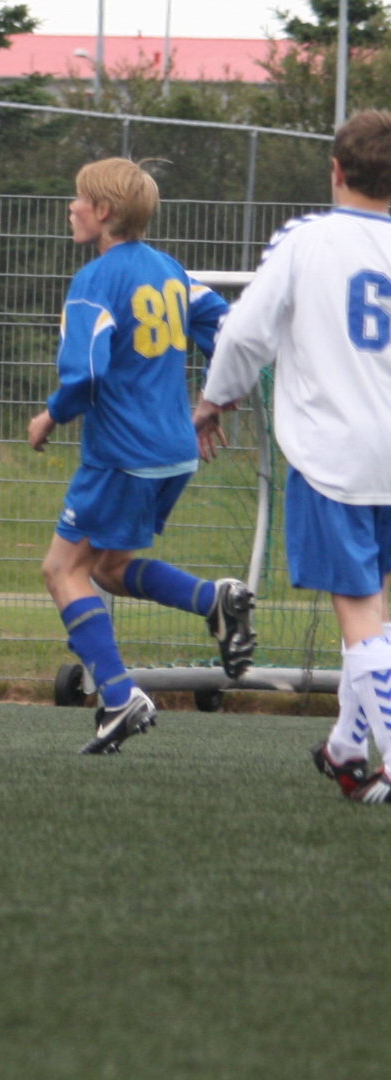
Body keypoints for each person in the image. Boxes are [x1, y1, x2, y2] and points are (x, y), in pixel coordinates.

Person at [197, 109, 391, 804]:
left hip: (336, 455)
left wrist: (214, 398)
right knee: (379, 615)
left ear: (335, 170)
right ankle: (346, 747)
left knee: (361, 615)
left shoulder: (307, 240)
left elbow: (245, 333)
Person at [27, 156, 252, 756]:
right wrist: (213, 402)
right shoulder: (169, 270)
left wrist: (49, 415)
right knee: (108, 568)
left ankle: (119, 695)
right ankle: (214, 600)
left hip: (121, 455)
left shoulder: (95, 281)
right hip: (174, 452)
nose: (72, 207)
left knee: (61, 570)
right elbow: (229, 331)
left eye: (79, 198)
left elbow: (86, 373)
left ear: (102, 212)